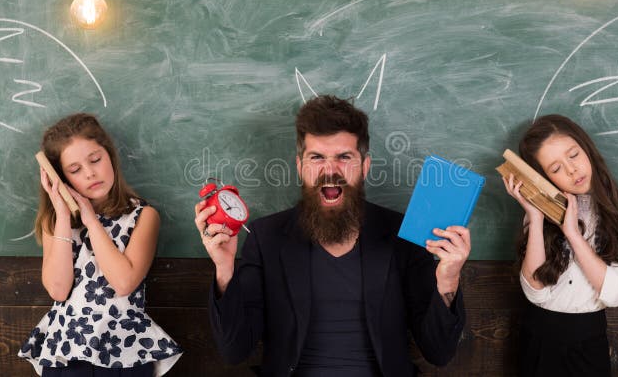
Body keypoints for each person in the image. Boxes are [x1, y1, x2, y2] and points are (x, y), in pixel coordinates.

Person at [196, 95, 469, 376]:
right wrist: (224, 269)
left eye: (344, 157)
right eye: (317, 157)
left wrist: (448, 280)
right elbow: (233, 351)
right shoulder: (267, 238)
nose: (330, 171)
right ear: (300, 167)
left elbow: (439, 353)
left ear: (364, 167)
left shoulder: (403, 236)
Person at [19, 113, 182, 376]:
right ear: (62, 177)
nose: (90, 173)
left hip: (125, 352)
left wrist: (92, 222)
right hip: (66, 353)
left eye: (95, 160)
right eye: (74, 170)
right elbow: (58, 290)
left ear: (110, 156)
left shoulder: (143, 216)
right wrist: (62, 213)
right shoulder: (57, 223)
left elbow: (123, 282)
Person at [502, 114, 618, 376]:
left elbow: (616, 295)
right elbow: (535, 291)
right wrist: (535, 217)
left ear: (587, 149)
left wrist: (573, 235)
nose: (571, 170)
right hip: (537, 338)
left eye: (574, 155)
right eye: (555, 169)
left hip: (589, 340)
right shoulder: (538, 218)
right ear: (545, 178)